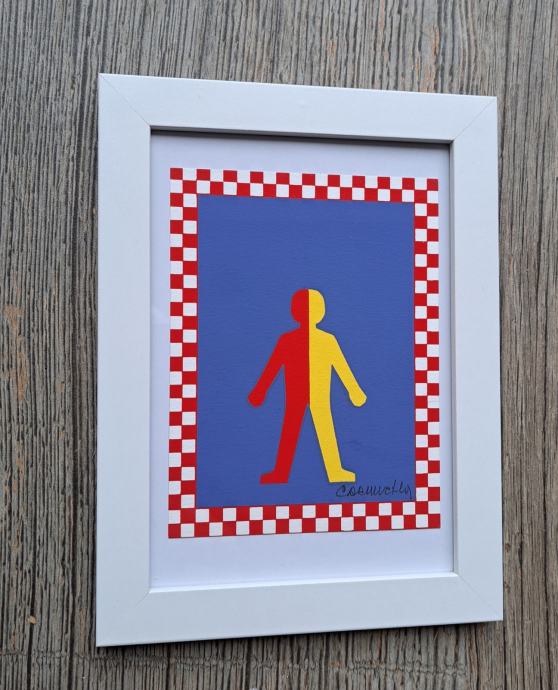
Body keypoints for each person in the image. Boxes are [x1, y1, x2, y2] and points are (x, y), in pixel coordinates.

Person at [248, 289, 366, 484]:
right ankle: (282, 472)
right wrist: (260, 390)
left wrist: (354, 390)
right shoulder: (288, 340)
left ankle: (333, 471)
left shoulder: (326, 340)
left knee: (322, 430)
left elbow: (342, 367)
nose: (309, 313)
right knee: (292, 430)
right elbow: (272, 367)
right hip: (297, 394)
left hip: (318, 395)